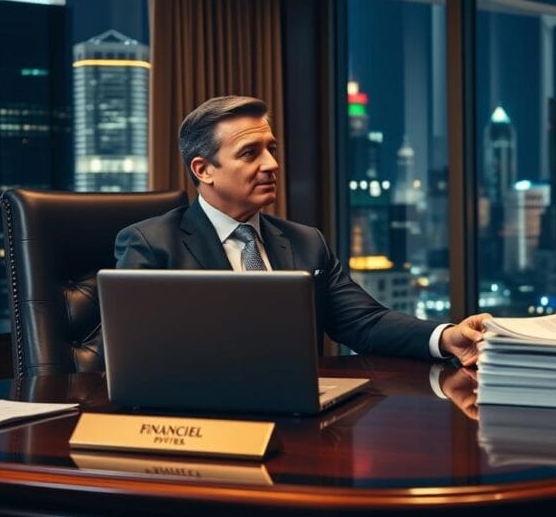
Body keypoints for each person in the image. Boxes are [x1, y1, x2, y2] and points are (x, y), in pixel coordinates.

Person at [115, 95, 490, 365]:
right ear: (203, 170)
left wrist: (446, 336)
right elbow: (135, 354)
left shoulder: (305, 241)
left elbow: (364, 323)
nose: (272, 164)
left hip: (299, 417)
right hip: (200, 422)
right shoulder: (152, 245)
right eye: (250, 153)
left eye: (271, 149)